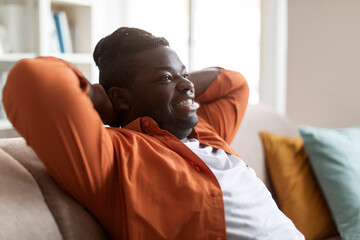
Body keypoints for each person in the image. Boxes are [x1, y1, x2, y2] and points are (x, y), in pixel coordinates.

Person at [3, 27, 304, 240]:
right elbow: (32, 79)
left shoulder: (206, 131)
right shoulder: (112, 155)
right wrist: (102, 100)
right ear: (121, 98)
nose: (187, 86)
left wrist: (176, 80)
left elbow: (234, 83)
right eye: (165, 78)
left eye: (184, 75)